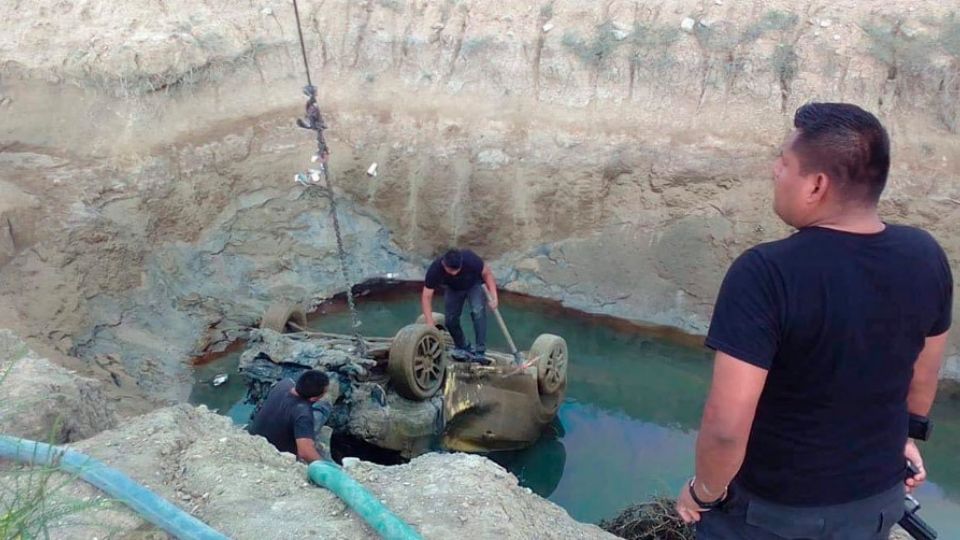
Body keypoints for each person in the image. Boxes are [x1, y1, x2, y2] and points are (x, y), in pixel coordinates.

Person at [675, 103, 953, 539]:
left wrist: (703, 491)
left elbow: (727, 427)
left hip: (773, 514)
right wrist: (906, 438)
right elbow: (924, 375)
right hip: (876, 503)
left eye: (785, 163)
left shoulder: (765, 273)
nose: (775, 170)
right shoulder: (926, 255)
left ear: (816, 185)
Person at [421, 248, 499, 358]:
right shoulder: (435, 269)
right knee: (450, 320)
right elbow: (426, 296)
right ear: (444, 264)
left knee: (478, 313)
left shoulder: (470, 259)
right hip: (453, 289)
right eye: (451, 270)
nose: (455, 273)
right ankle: (463, 346)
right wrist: (430, 323)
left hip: (474, 285)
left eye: (457, 269)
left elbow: (487, 274)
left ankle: (480, 351)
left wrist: (494, 297)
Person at [248, 369, 339, 463]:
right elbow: (305, 453)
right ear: (313, 398)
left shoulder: (284, 384)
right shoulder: (303, 414)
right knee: (324, 406)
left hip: (257, 438)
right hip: (278, 454)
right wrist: (328, 466)